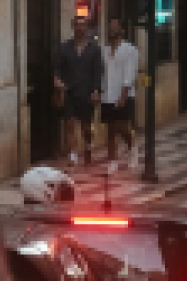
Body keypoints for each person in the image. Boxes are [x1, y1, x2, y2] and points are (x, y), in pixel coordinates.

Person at [54, 15, 103, 166]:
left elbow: (98, 72)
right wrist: (57, 79)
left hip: (87, 92)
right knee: (69, 124)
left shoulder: (95, 49)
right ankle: (73, 156)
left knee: (86, 127)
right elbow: (57, 68)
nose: (80, 28)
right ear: (73, 27)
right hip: (69, 91)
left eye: (82, 25)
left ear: (87, 28)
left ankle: (88, 147)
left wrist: (96, 91)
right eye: (77, 25)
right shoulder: (64, 48)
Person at [101, 17, 139, 170]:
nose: (112, 29)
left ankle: (132, 149)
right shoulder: (104, 51)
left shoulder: (130, 50)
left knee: (123, 127)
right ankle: (112, 161)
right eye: (110, 27)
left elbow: (130, 74)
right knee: (110, 129)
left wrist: (123, 95)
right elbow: (102, 74)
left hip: (124, 94)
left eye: (115, 27)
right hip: (107, 95)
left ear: (122, 30)